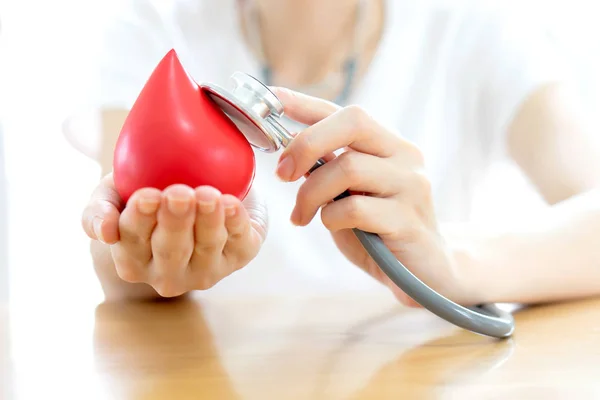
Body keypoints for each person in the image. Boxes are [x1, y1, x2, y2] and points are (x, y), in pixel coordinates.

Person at [69, 0, 600, 305]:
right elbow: (116, 235)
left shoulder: (472, 27)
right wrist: (138, 256)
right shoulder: (151, 25)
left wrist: (452, 263)